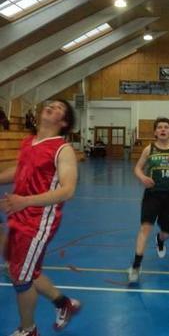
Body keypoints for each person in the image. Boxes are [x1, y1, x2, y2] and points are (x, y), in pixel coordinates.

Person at [0, 99, 80, 336]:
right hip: (19, 213)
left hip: (38, 222)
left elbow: (68, 190)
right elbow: (20, 170)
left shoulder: (62, 149)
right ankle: (63, 303)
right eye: (51, 104)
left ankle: (28, 330)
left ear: (63, 122)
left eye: (59, 109)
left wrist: (25, 200)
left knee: (20, 276)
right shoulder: (29, 142)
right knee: (24, 270)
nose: (52, 107)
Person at [127, 118, 169, 283]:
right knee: (145, 228)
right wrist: (142, 177)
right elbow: (137, 168)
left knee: (166, 234)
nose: (163, 129)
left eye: (166, 127)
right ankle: (136, 266)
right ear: (155, 132)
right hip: (152, 194)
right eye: (159, 127)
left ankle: (160, 240)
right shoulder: (149, 149)